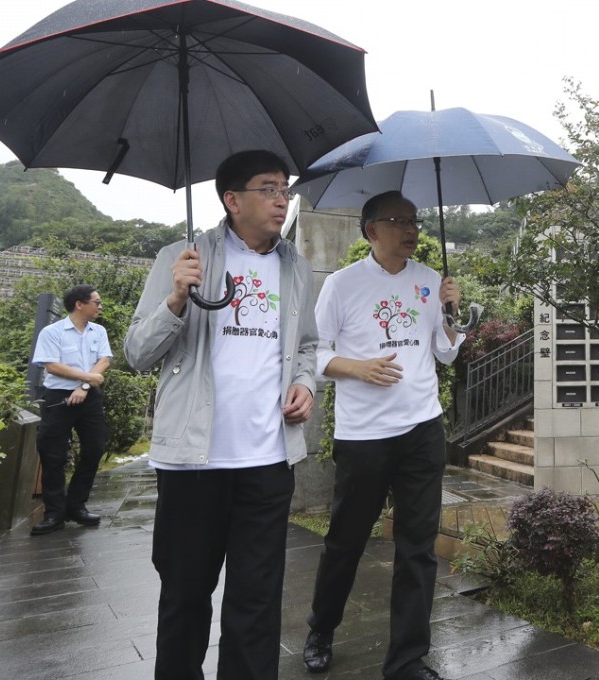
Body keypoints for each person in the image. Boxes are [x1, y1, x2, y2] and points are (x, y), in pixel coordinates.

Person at [123, 150, 318, 680]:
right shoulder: (180, 257)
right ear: (233, 200)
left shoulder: (294, 266)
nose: (283, 199)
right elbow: (137, 354)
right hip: (193, 462)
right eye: (269, 188)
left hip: (268, 460)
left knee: (257, 603)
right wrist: (176, 299)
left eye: (285, 189)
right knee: (185, 596)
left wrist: (304, 383)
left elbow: (307, 346)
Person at [303, 191, 463, 680]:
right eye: (399, 221)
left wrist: (453, 315)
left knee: (418, 549)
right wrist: (358, 367)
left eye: (414, 220)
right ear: (371, 230)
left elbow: (445, 353)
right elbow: (313, 353)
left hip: (422, 429)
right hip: (365, 435)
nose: (411, 229)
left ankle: (407, 661)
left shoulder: (431, 281)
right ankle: (321, 628)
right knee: (346, 541)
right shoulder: (342, 285)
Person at [30, 284, 111, 536]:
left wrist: (84, 386)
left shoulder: (98, 331)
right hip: (57, 397)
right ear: (79, 304)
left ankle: (76, 505)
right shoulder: (52, 332)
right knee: (52, 454)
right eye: (96, 302)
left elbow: (104, 360)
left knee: (95, 448)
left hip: (89, 397)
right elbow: (52, 366)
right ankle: (54, 512)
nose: (100, 306)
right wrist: (87, 377)